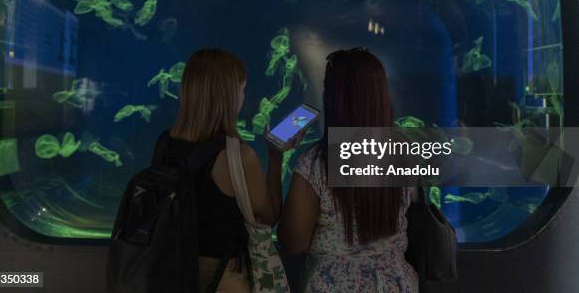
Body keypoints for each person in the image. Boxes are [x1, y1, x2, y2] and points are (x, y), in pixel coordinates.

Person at [157, 48, 299, 292]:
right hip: (221, 276)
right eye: (243, 89)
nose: (244, 96)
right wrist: (276, 156)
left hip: (171, 270)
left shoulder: (164, 143)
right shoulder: (237, 156)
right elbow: (268, 218)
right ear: (230, 95)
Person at [278, 48, 419, 293]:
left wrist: (275, 157)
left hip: (332, 285)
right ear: (382, 95)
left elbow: (294, 243)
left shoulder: (315, 164)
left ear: (334, 98)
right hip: (395, 283)